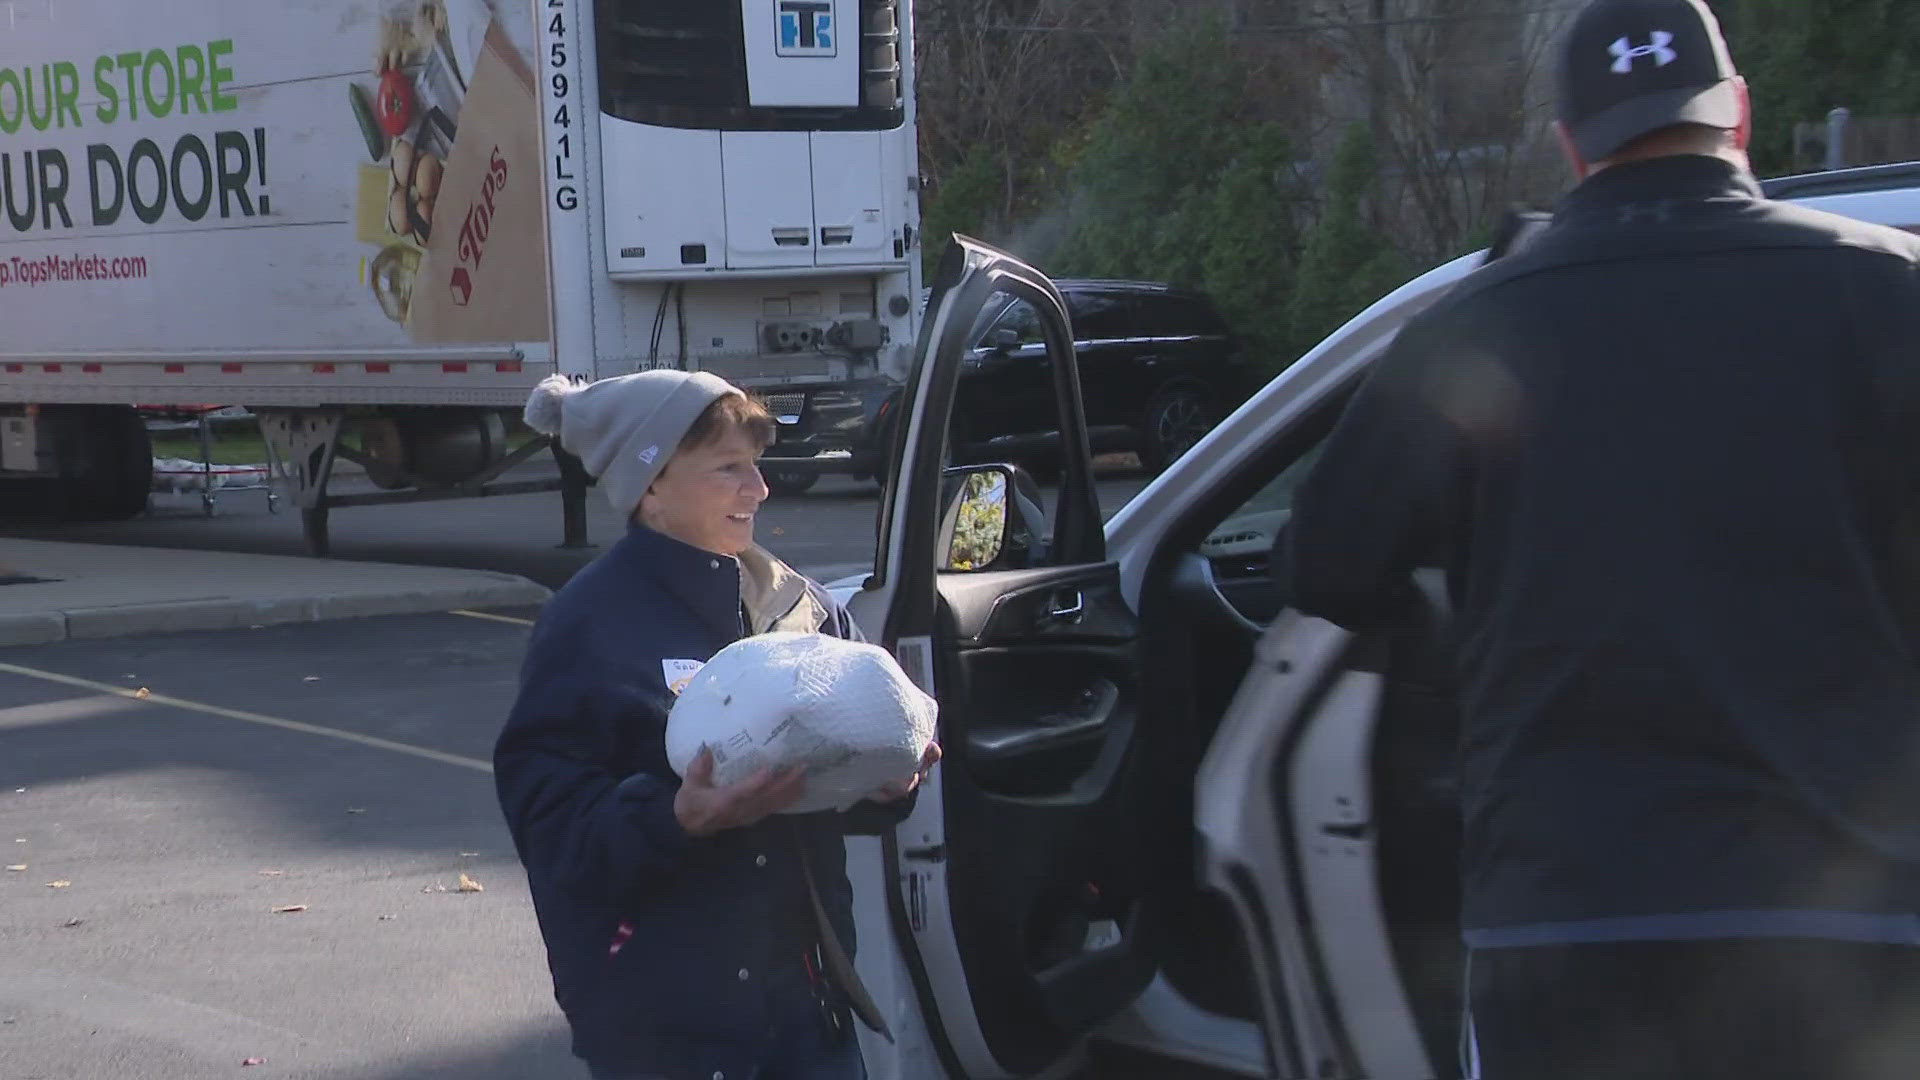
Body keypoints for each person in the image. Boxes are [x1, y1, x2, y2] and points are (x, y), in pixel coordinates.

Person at [1281, 0, 1920, 1076]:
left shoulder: (1478, 322)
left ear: (1572, 144)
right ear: (1740, 115)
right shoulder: (1886, 291)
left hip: (1567, 930)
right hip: (1846, 929)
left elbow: (1327, 566)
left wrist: (1466, 643)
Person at [494, 370, 940, 1080]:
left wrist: (885, 781)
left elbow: (823, 778)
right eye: (728, 468)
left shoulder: (803, 608)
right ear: (651, 486)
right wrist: (675, 816)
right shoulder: (587, 625)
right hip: (670, 1028)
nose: (758, 490)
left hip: (805, 1004)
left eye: (756, 466)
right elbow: (551, 826)